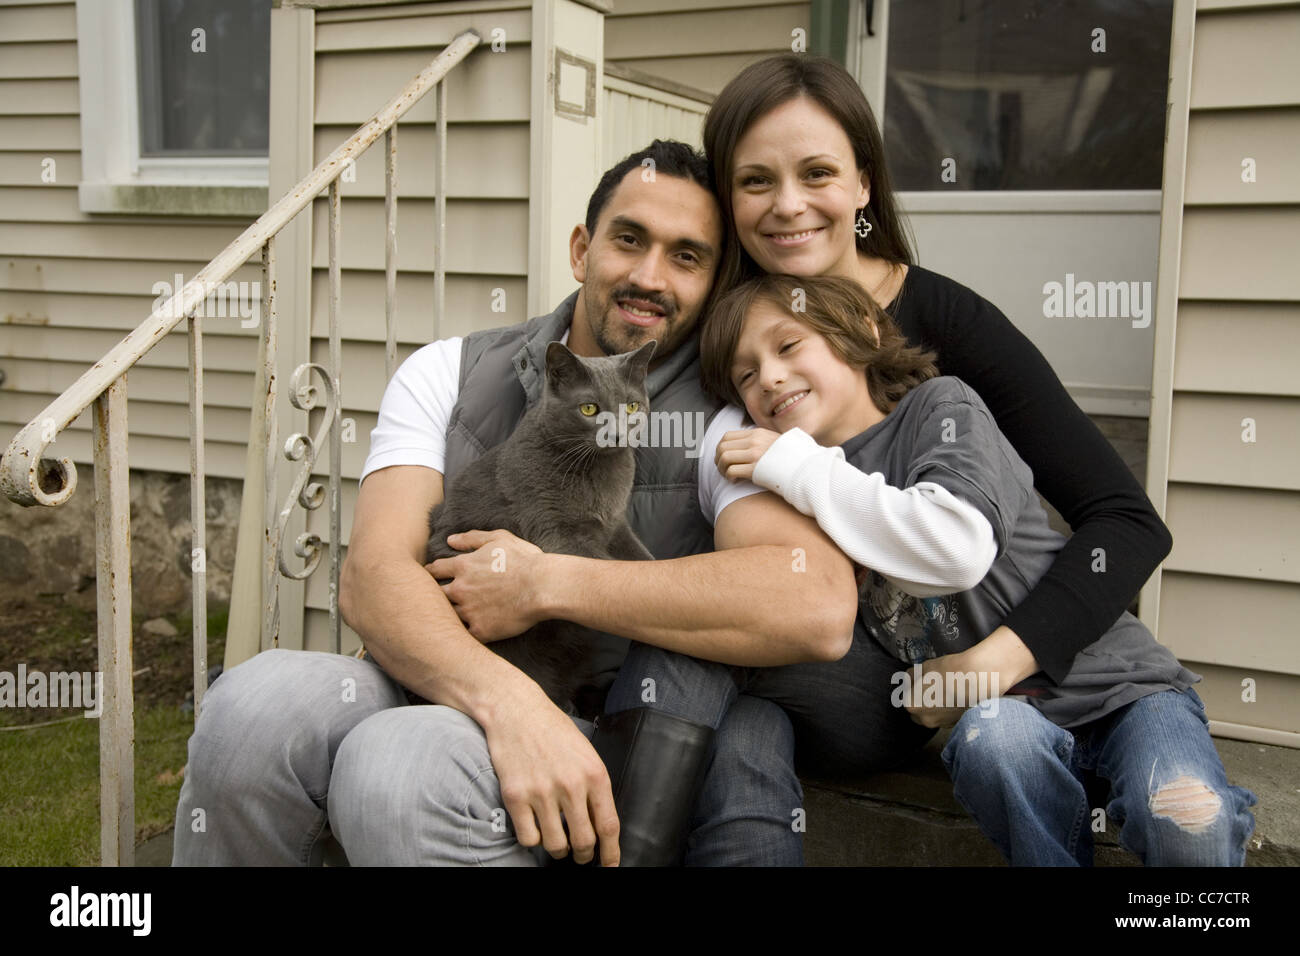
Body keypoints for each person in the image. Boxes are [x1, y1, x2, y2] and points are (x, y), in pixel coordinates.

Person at [171, 140, 855, 867]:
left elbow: (813, 603)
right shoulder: (450, 372)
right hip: (428, 671)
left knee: (399, 766)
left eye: (687, 257)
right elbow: (374, 574)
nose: (650, 276)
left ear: (713, 281)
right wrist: (507, 704)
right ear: (581, 248)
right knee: (250, 706)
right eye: (629, 240)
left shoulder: (720, 419)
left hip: (581, 721)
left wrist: (546, 584)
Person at [615, 270, 1256, 865]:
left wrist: (795, 466)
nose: (770, 379)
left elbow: (953, 549)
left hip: (1121, 689)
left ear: (862, 330)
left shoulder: (940, 409)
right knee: (994, 746)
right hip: (1003, 714)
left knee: (1181, 816)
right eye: (746, 377)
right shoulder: (798, 491)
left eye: (789, 346)